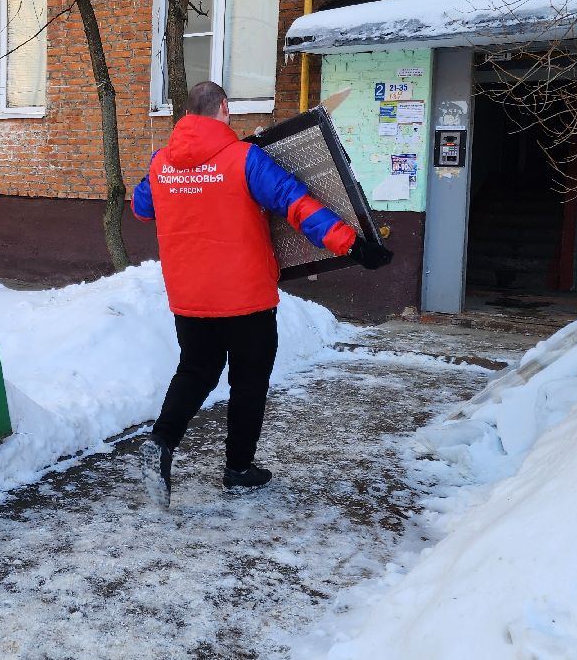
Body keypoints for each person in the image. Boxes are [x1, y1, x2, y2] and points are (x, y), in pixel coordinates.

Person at [131, 81, 391, 508]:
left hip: (190, 299)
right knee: (248, 382)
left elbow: (143, 207)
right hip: (245, 298)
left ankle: (160, 442)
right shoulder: (245, 159)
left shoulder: (162, 164)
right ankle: (238, 469)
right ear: (224, 108)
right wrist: (353, 244)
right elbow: (296, 203)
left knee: (195, 372)